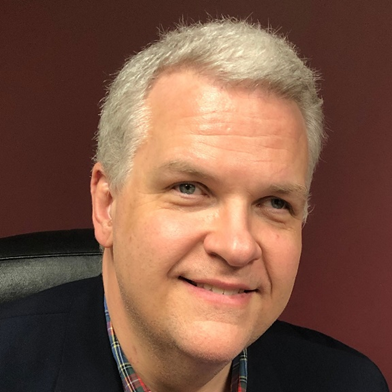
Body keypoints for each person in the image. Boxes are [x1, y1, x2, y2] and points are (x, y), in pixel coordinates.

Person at [0, 18, 389, 392]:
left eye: (275, 202)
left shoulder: (350, 383)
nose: (237, 246)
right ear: (107, 205)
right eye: (189, 188)